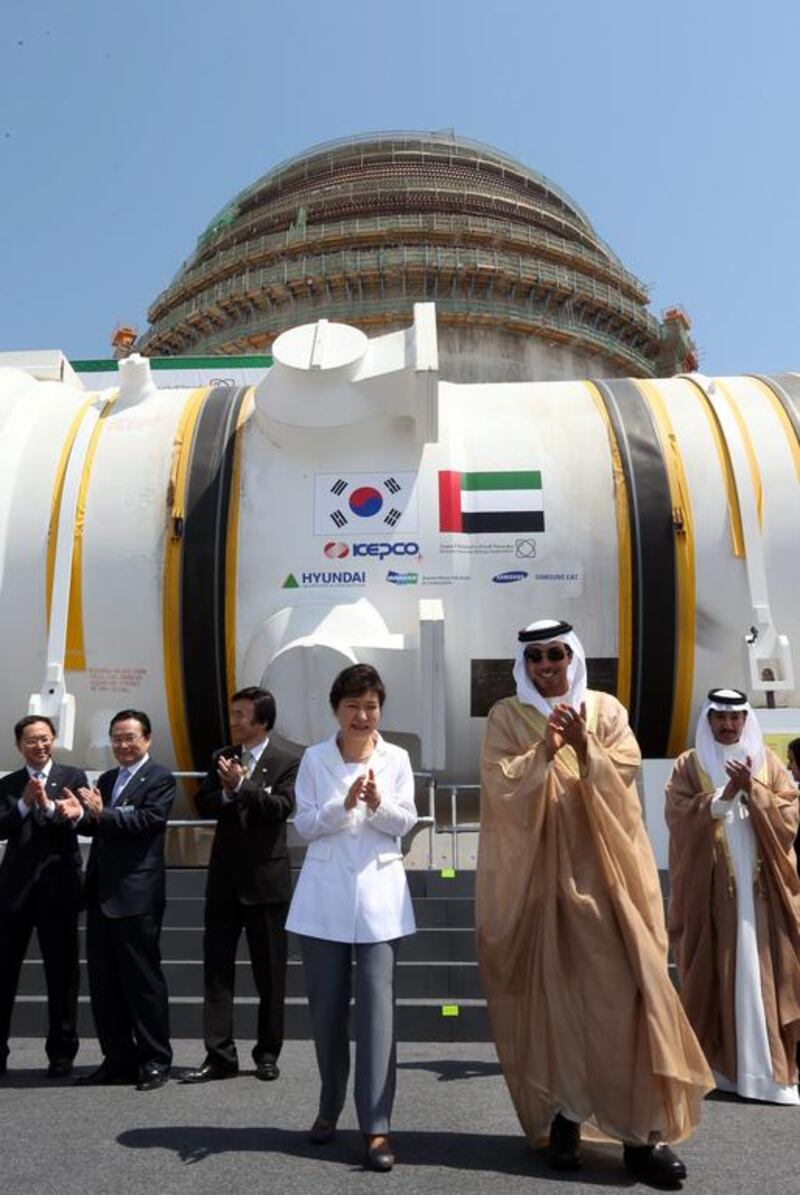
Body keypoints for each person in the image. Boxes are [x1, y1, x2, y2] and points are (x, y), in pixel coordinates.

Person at [477, 619, 712, 1184]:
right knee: (555, 1004)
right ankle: (564, 1118)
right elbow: (500, 785)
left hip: (610, 883)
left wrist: (585, 750)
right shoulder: (508, 718)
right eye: (534, 657)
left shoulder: (605, 710)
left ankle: (641, 1135)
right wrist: (544, 751)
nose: (546, 665)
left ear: (572, 655)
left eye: (555, 653)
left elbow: (625, 772)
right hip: (542, 885)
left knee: (627, 1000)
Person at [286, 664, 417, 1173]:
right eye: (352, 707)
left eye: (371, 706)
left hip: (381, 902)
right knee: (326, 1014)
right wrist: (343, 806)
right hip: (323, 903)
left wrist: (378, 803)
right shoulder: (315, 759)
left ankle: (378, 1125)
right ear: (335, 710)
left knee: (378, 1017)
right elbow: (304, 825)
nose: (363, 716)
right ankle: (328, 1105)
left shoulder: (397, 758)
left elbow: (403, 823)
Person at [666, 688, 800, 1103]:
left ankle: (769, 1073)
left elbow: (790, 812)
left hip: (762, 889)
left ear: (745, 720)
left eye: (735, 718)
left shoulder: (768, 761)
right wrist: (723, 796)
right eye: (720, 718)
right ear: (708, 720)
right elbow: (677, 814)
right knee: (719, 967)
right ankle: (722, 1068)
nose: (727, 725)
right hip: (713, 888)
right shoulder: (690, 764)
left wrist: (754, 791)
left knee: (767, 969)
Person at [182, 687, 300, 1084]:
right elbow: (204, 803)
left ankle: (267, 1053)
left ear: (263, 721)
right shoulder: (221, 756)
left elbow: (282, 808)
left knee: (270, 974)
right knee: (217, 971)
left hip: (267, 882)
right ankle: (219, 1055)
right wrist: (230, 790)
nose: (234, 721)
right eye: (232, 713)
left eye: (241, 715)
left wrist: (244, 787)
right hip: (224, 881)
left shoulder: (287, 761)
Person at [68, 709, 176, 1090]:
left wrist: (103, 813)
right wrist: (78, 815)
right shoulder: (109, 777)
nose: (123, 745)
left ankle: (154, 1059)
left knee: (142, 981)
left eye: (130, 737)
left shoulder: (160, 777)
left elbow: (147, 821)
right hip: (100, 893)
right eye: (117, 737)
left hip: (137, 894)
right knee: (104, 982)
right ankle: (117, 1058)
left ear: (147, 740)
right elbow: (99, 823)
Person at [0, 716, 87, 1078]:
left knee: (62, 973)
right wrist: (22, 804)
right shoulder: (8, 784)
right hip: (15, 892)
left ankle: (62, 1051)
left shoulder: (72, 778)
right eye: (32, 741)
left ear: (54, 740)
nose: (39, 746)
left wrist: (49, 806)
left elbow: (74, 821)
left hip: (59, 887)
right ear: (19, 745)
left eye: (45, 739)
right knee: (4, 973)